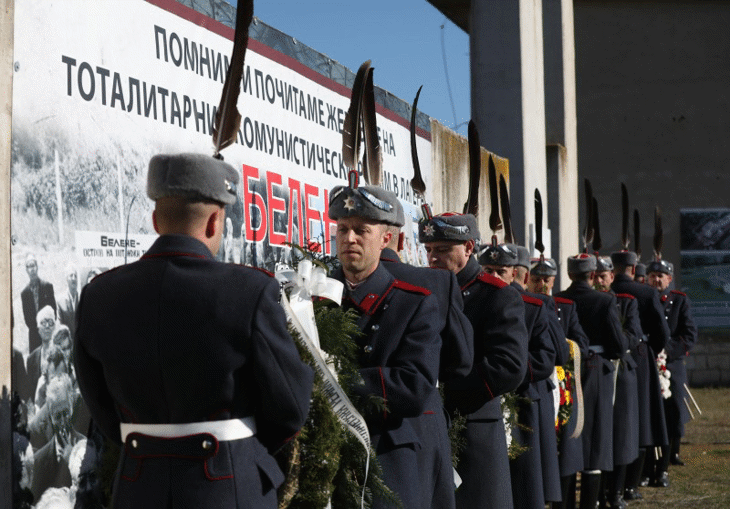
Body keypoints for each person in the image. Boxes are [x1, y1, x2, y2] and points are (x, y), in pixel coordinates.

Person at [74, 153, 314, 509]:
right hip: (228, 484)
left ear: (156, 220)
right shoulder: (249, 292)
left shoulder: (99, 295)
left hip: (137, 487)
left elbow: (104, 413)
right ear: (215, 222)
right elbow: (290, 408)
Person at [327, 177, 443, 508]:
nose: (349, 238)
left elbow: (415, 385)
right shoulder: (313, 300)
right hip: (325, 457)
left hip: (385, 456)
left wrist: (336, 380)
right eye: (342, 229)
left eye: (361, 230)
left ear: (385, 240)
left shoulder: (414, 304)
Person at [420, 213, 527, 509]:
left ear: (468, 247)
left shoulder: (496, 295)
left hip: (473, 423)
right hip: (427, 418)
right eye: (429, 250)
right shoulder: (423, 287)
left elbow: (509, 365)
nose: (432, 258)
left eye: (442, 250)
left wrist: (446, 390)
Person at [378, 195, 474, 508]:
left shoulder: (331, 280)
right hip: (421, 417)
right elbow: (461, 360)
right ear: (402, 239)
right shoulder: (437, 282)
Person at [480, 242, 556, 509]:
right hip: (483, 399)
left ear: (515, 274)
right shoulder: (471, 300)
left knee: (525, 482)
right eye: (487, 269)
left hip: (521, 402)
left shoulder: (533, 306)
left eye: (501, 270)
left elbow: (545, 358)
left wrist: (508, 374)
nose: (494, 276)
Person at [556, 254, 628, 509]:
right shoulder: (605, 300)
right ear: (592, 273)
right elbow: (618, 346)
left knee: (567, 432)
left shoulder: (559, 300)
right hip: (595, 369)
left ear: (570, 272)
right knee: (595, 438)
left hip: (565, 370)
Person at [529, 257, 590, 509]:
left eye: (547, 279)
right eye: (537, 279)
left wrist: (563, 346)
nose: (542, 284)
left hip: (562, 384)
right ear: (527, 280)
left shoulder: (565, 306)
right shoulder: (525, 305)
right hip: (539, 385)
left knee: (566, 450)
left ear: (554, 280)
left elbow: (581, 344)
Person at [611, 249, 672, 489]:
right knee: (642, 419)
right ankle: (632, 482)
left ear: (612, 269)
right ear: (634, 269)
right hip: (641, 355)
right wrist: (651, 350)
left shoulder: (608, 292)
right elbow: (662, 332)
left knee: (618, 417)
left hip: (613, 358)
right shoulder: (646, 292)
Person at [595, 256, 641, 509]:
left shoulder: (626, 302)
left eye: (604, 276)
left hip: (622, 371)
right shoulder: (589, 302)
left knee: (622, 434)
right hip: (597, 372)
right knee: (601, 434)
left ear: (612, 277)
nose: (600, 281)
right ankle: (600, 493)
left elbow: (633, 335)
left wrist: (616, 340)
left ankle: (616, 492)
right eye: (596, 276)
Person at [647, 259, 698, 482]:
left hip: (671, 362)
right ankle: (651, 459)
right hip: (648, 361)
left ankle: (671, 453)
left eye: (661, 276)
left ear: (669, 278)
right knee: (650, 412)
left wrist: (666, 351)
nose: (656, 280)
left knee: (674, 408)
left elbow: (688, 335)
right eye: (652, 276)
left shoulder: (679, 301)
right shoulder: (642, 299)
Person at [31, 374, 85, 502]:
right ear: (50, 415)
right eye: (57, 416)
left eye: (66, 413)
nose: (63, 422)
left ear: (71, 406)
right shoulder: (38, 460)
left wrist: (74, 461)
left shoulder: (86, 447)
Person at [21, 253, 57, 353]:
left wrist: (46, 328)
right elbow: (27, 319)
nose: (31, 269)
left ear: (37, 267)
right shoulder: (25, 293)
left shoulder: (47, 287)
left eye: (33, 265)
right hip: (34, 337)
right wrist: (38, 328)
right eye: (29, 266)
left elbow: (53, 312)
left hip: (48, 334)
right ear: (26, 270)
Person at [26, 305, 57, 403]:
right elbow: (31, 392)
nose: (47, 326)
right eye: (43, 322)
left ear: (54, 327)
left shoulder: (62, 351)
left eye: (50, 322)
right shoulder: (31, 359)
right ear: (38, 329)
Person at [57, 267, 79, 340]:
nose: (73, 278)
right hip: (67, 344)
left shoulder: (83, 299)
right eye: (71, 275)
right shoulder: (60, 302)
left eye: (75, 276)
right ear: (67, 279)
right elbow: (60, 326)